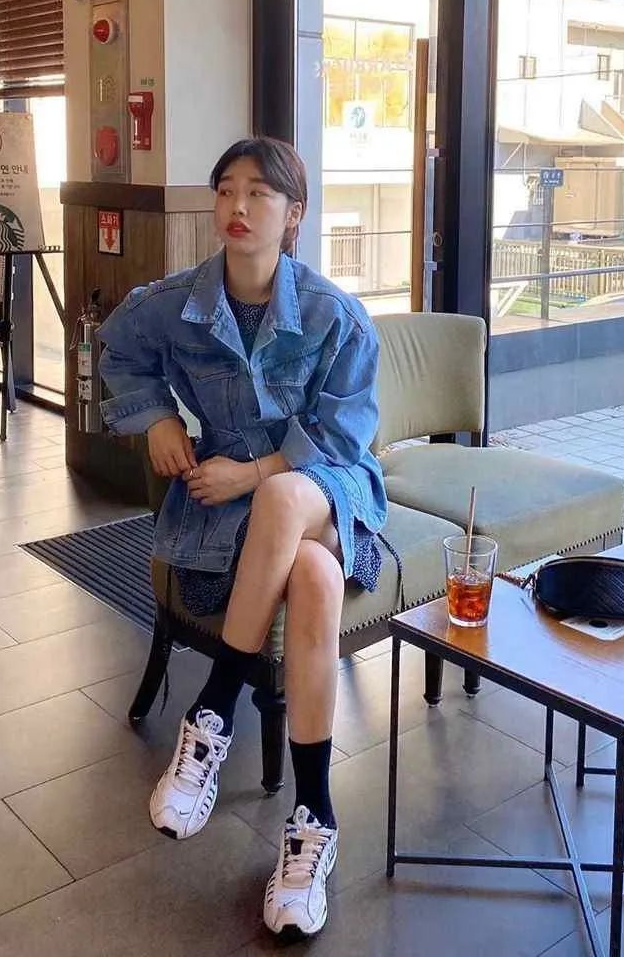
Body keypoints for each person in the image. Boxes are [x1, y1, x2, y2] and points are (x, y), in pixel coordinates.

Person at [97, 137, 387, 939]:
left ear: (294, 215)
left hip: (329, 487)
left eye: (260, 193)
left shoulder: (332, 313)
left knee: (287, 493)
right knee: (316, 581)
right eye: (226, 189)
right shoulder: (175, 303)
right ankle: (314, 820)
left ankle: (214, 708)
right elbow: (118, 349)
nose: (237, 206)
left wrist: (254, 472)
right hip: (236, 509)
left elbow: (343, 437)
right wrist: (157, 417)